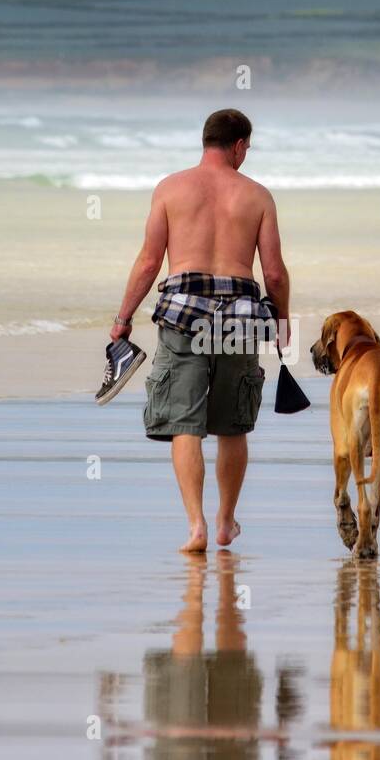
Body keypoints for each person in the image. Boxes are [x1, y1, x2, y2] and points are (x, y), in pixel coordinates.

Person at [110, 109, 290, 552]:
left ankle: (196, 527)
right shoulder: (258, 196)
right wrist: (282, 321)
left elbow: (150, 262)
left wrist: (123, 318)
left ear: (205, 141)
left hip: (183, 315)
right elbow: (275, 273)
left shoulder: (170, 188)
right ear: (240, 146)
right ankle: (226, 521)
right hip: (239, 319)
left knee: (184, 424)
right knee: (232, 426)